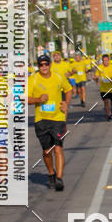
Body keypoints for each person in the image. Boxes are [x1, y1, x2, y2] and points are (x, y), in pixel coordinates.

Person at [27, 54, 71, 190]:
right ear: (38, 66)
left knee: (58, 148)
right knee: (47, 152)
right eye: (41, 65)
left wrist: (66, 103)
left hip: (58, 118)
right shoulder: (32, 79)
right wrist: (38, 99)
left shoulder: (58, 76)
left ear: (50, 64)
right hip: (41, 120)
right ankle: (51, 173)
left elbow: (68, 89)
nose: (44, 67)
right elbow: (24, 99)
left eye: (46, 64)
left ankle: (59, 178)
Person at [94, 53, 112, 120]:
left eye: (106, 60)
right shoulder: (100, 67)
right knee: (106, 101)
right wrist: (96, 79)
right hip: (103, 89)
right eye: (103, 61)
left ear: (109, 60)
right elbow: (96, 75)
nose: (105, 62)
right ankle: (109, 114)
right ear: (102, 61)